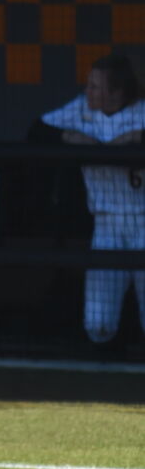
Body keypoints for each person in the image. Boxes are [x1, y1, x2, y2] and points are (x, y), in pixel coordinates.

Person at [41, 54, 145, 347]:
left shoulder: (142, 112)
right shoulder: (81, 109)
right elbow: (37, 131)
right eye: (89, 85)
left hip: (143, 220)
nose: (88, 92)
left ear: (117, 92)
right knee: (98, 324)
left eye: (96, 87)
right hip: (106, 224)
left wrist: (133, 141)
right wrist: (69, 137)